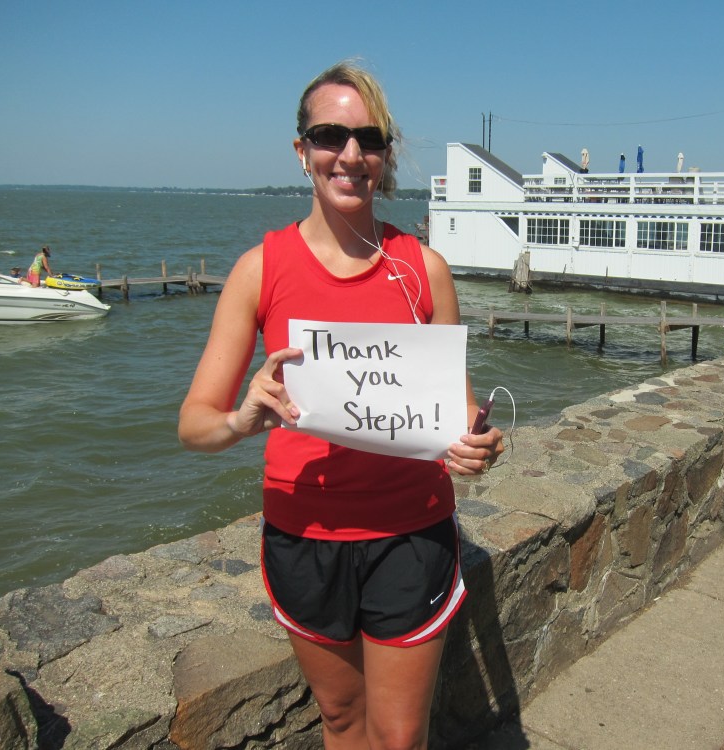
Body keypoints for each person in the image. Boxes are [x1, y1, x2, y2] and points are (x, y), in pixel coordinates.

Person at [178, 60, 503, 750]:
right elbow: (195, 424)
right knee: (341, 722)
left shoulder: (423, 268)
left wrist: (477, 444)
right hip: (303, 537)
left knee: (399, 735)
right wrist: (243, 417)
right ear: (302, 151)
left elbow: (460, 413)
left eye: (369, 139)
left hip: (409, 535)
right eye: (330, 135)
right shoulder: (260, 269)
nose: (350, 155)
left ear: (385, 155)